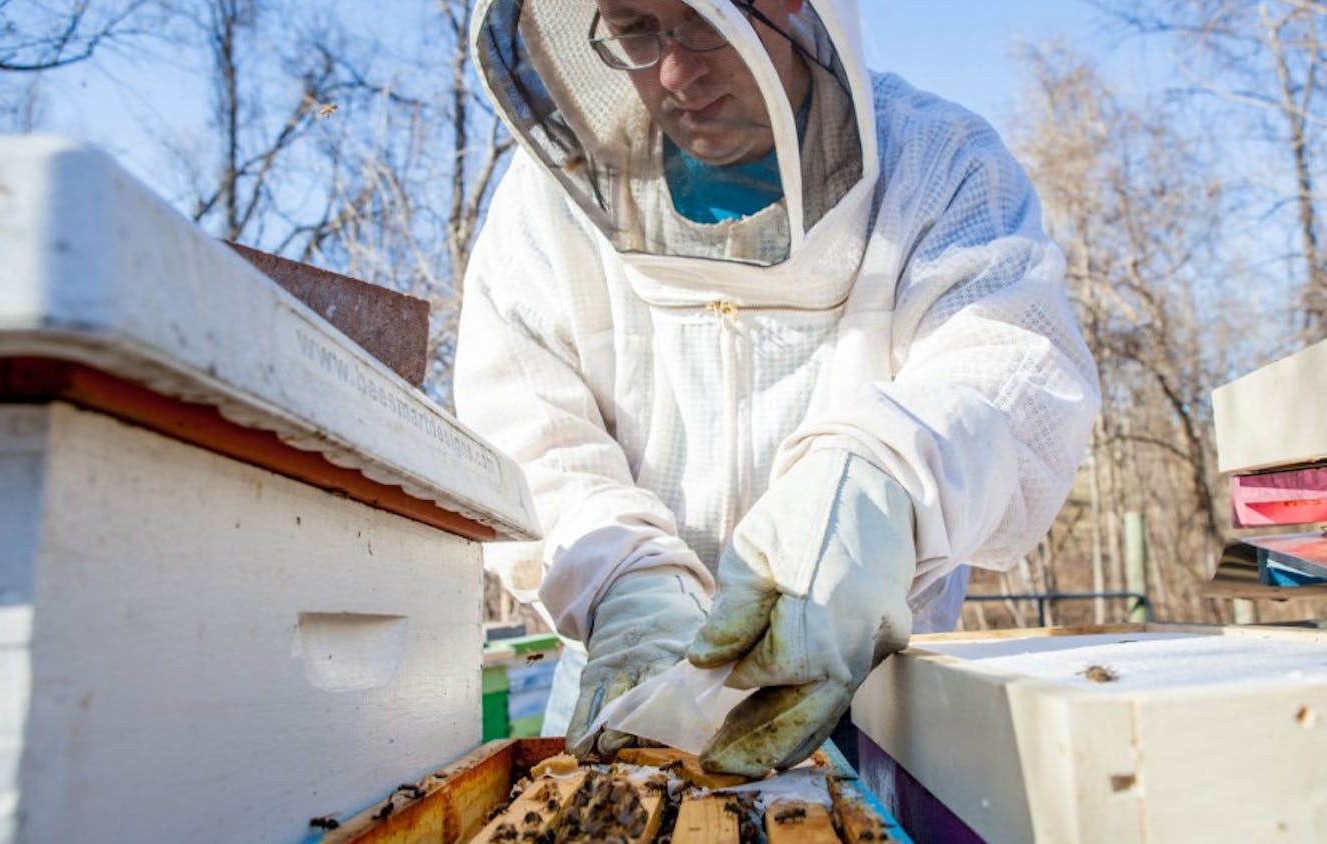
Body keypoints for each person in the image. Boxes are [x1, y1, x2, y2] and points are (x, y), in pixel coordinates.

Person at [455, 0, 1099, 776]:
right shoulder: (548, 199)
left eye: (700, 22)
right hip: (626, 683)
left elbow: (1009, 366)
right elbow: (526, 428)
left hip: (877, 702)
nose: (673, 71)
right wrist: (623, 582)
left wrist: (878, 483)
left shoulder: (937, 160)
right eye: (633, 29)